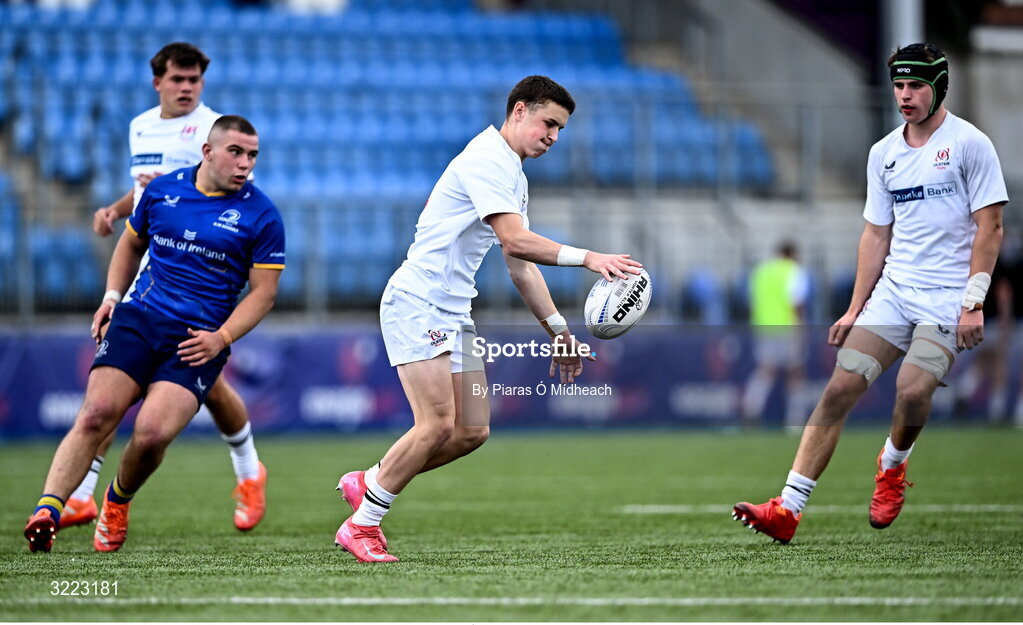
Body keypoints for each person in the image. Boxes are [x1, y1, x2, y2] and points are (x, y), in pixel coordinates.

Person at [333, 75, 642, 562]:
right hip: (420, 300)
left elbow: (519, 265)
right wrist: (588, 257)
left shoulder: (513, 174)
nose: (553, 137)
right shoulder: (486, 159)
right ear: (519, 110)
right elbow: (517, 242)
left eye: (560, 130)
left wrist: (558, 330)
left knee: (470, 431)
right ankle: (363, 525)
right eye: (549, 123)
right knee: (435, 424)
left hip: (453, 309)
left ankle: (371, 480)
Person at [733, 43, 1008, 543]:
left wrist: (974, 301)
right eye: (899, 85)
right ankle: (787, 508)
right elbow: (875, 236)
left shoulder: (970, 144)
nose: (904, 95)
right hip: (894, 294)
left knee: (912, 389)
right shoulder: (883, 154)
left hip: (947, 298)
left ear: (939, 86)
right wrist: (856, 307)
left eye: (916, 86)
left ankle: (893, 466)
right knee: (839, 388)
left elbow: (989, 228)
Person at [24, 115, 285, 553]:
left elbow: (263, 295)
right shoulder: (163, 191)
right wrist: (111, 297)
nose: (245, 164)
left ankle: (116, 500)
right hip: (139, 317)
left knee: (151, 435)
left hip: (197, 339)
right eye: (236, 152)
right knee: (96, 414)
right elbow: (130, 244)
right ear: (207, 151)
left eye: (252, 155)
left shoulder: (262, 215)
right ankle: (48, 509)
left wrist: (220, 339)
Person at [61, 42, 269, 533]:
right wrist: (116, 211)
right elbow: (147, 188)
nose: (187, 88)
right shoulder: (140, 126)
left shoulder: (216, 130)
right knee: (118, 379)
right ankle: (86, 494)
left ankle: (248, 471)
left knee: (206, 384)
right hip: (147, 267)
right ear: (158, 82)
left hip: (194, 273)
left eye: (194, 80)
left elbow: (230, 190)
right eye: (178, 80)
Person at [741, 241, 810, 428]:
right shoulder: (793, 271)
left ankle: (751, 411)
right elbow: (796, 302)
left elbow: (750, 301)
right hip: (787, 326)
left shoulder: (761, 272)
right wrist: (801, 328)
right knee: (795, 373)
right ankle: (795, 421)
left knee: (765, 371)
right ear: (792, 254)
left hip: (764, 327)